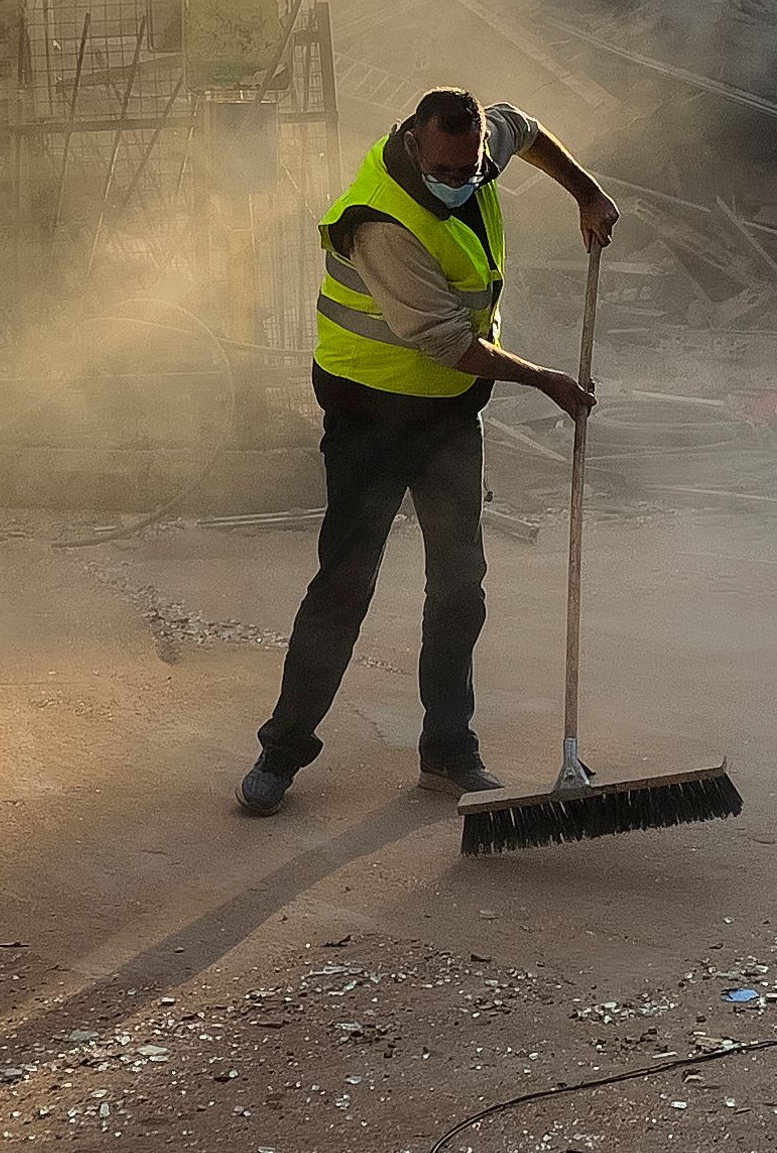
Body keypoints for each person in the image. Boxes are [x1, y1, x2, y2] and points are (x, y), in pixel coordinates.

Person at [239, 90, 618, 815]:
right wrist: (545, 380)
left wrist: (588, 193)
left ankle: (448, 751)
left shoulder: (478, 149)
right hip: (368, 416)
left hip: (446, 413)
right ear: (415, 144)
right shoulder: (381, 219)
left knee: (460, 581)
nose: (460, 178)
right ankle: (281, 751)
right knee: (345, 584)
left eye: (471, 164)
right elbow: (445, 340)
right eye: (446, 167)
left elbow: (527, 126)